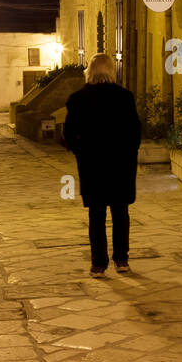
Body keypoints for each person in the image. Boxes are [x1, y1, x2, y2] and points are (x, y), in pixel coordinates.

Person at [61, 53, 141, 277]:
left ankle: (98, 263)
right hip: (120, 165)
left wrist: (81, 153)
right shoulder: (124, 97)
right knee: (120, 212)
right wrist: (129, 152)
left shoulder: (78, 99)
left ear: (90, 71)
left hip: (92, 165)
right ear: (111, 71)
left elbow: (68, 134)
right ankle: (121, 259)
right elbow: (135, 131)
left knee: (96, 214)